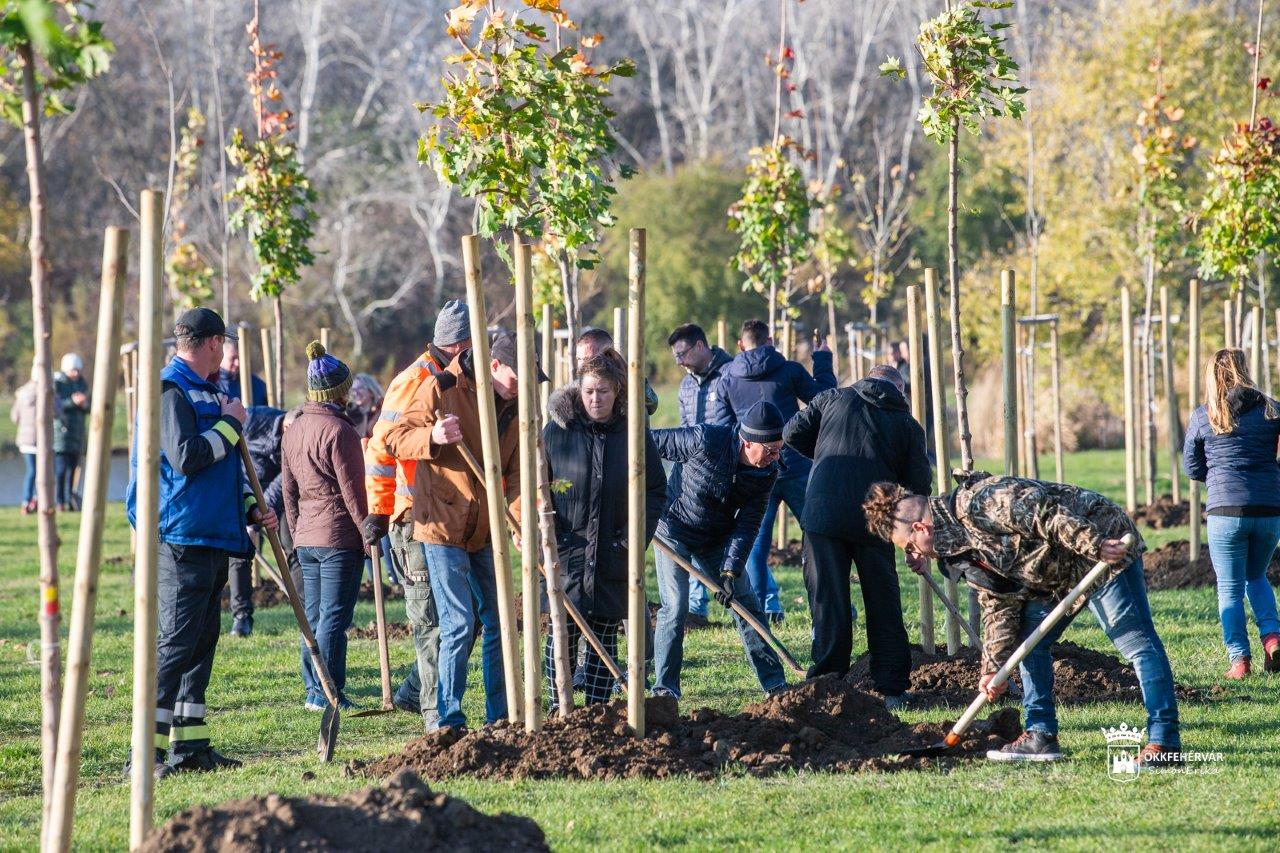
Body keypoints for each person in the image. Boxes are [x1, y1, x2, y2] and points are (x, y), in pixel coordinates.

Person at [863, 473, 1181, 765]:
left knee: (1135, 642)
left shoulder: (983, 502)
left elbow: (1046, 513)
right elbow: (998, 605)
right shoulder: (963, 544)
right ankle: (1041, 735)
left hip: (1105, 543)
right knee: (1029, 643)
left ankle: (1164, 743)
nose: (918, 555)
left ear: (920, 528)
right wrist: (992, 669)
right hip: (1056, 571)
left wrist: (1094, 543)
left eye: (910, 547)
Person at [125, 307, 276, 778]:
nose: (226, 351)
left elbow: (229, 466)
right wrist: (232, 424)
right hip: (180, 535)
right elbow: (188, 457)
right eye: (224, 343)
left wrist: (251, 504)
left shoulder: (213, 389)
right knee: (174, 644)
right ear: (212, 342)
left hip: (213, 531)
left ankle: (189, 749)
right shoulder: (170, 390)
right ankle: (144, 756)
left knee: (203, 639)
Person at [384, 329, 528, 731]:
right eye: (517, 378)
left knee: (499, 621)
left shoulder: (516, 407)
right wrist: (432, 435)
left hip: (484, 530)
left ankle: (500, 716)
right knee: (459, 623)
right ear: (495, 366)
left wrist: (520, 520)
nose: (521, 388)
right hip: (441, 526)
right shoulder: (441, 388)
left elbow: (516, 473)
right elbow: (394, 438)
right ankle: (447, 719)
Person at [783, 364, 932, 707]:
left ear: (867, 378)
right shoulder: (908, 426)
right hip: (876, 519)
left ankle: (827, 683)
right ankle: (891, 686)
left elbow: (791, 433)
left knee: (828, 601)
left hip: (823, 515)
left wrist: (825, 454)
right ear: (900, 389)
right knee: (883, 601)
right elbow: (919, 488)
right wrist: (914, 542)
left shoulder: (832, 398)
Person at [362, 300, 472, 729]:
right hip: (412, 517)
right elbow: (381, 446)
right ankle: (433, 712)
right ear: (460, 346)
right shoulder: (416, 381)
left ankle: (413, 692)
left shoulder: (458, 379)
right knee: (430, 617)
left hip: (449, 514)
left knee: (464, 619)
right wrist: (379, 508)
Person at [542, 350, 667, 705]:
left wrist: (633, 538)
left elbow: (655, 488)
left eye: (604, 392)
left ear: (617, 392)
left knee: (604, 635)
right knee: (561, 633)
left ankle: (597, 711)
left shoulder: (633, 435)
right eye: (589, 392)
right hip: (567, 553)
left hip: (613, 552)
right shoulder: (557, 432)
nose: (596, 399)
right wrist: (546, 534)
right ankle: (558, 709)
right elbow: (537, 485)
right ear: (578, 392)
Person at [650, 401, 790, 700]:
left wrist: (730, 569)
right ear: (747, 441)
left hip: (716, 538)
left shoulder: (767, 472)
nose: (776, 457)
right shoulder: (705, 439)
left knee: (746, 602)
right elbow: (647, 443)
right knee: (675, 606)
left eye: (779, 449)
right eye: (770, 450)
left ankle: (775, 684)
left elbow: (748, 524)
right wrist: (643, 494)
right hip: (673, 530)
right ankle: (665, 690)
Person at [715, 319, 836, 621]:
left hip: (755, 468)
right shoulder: (790, 369)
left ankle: (766, 608)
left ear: (741, 345)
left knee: (756, 541)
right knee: (819, 535)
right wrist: (822, 358)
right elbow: (824, 397)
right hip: (795, 462)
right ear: (770, 341)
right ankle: (830, 608)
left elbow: (723, 428)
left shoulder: (727, 378)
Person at [282, 341, 369, 711]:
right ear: (339, 391)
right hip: (338, 538)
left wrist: (297, 530)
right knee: (333, 618)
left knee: (314, 616)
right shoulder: (340, 431)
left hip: (307, 538)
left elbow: (288, 491)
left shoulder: (293, 428)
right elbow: (353, 493)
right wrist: (368, 532)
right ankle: (327, 692)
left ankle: (312, 690)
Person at [1183, 348, 1280, 678]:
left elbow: (1191, 466)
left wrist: (1216, 477)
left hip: (1225, 510)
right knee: (1257, 576)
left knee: (1230, 588)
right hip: (1269, 509)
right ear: (1245, 369)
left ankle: (1239, 661)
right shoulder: (1272, 410)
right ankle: (1272, 639)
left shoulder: (1204, 415)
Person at [667, 323, 734, 620]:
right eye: (675, 357)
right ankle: (697, 605)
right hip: (694, 473)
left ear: (699, 346)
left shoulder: (730, 374)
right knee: (690, 531)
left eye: (682, 354)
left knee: (729, 539)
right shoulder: (686, 385)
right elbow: (683, 428)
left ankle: (760, 599)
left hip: (725, 471)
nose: (679, 362)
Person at [226, 405, 286, 638]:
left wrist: (258, 518)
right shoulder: (252, 422)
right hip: (241, 494)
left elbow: (281, 486)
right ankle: (241, 616)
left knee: (293, 547)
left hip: (277, 502)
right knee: (239, 554)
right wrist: (250, 518)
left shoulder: (294, 442)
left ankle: (307, 608)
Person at [575, 327, 659, 416]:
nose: (581, 365)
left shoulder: (628, 378)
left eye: (588, 359)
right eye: (579, 359)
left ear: (607, 355)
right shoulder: (582, 382)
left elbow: (652, 405)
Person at [53, 353, 90, 511]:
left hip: (77, 434)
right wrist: (72, 402)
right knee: (61, 471)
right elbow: (56, 406)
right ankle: (59, 501)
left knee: (73, 471)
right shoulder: (58, 383)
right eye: (73, 370)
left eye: (78, 370)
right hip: (61, 434)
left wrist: (84, 404)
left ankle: (70, 501)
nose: (76, 373)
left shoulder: (82, 384)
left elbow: (89, 405)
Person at [10, 365, 38, 514]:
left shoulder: (22, 393)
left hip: (25, 440)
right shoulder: (48, 391)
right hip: (41, 440)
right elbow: (57, 412)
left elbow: (14, 416)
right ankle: (38, 500)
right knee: (42, 473)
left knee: (31, 471)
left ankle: (26, 501)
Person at [216, 339, 269, 407]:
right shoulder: (211, 385)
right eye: (233, 358)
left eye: (240, 358)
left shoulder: (258, 385)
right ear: (220, 357)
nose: (237, 363)